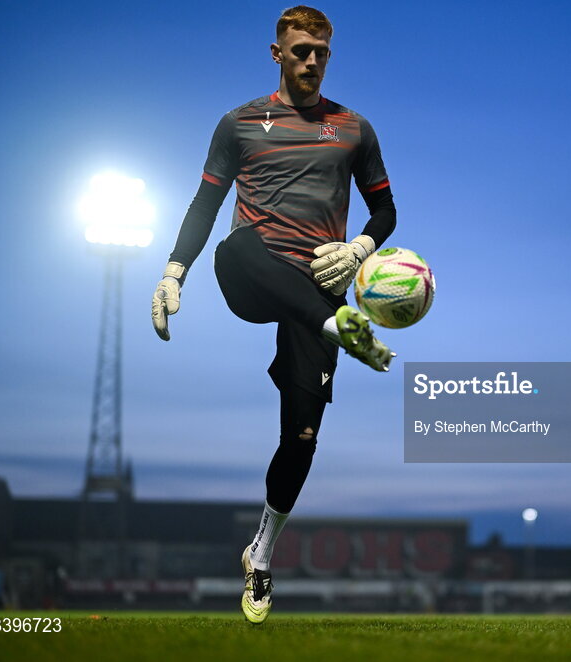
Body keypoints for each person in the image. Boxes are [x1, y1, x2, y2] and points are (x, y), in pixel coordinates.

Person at [150, 5, 396, 624]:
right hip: (250, 274)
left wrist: (362, 246)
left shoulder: (354, 129)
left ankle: (259, 556)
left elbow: (386, 213)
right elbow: (206, 205)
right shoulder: (238, 124)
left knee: (303, 438)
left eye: (320, 51)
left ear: (329, 55)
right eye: (299, 50)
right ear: (277, 53)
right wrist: (174, 270)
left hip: (320, 289)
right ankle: (340, 326)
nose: (310, 60)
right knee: (239, 246)